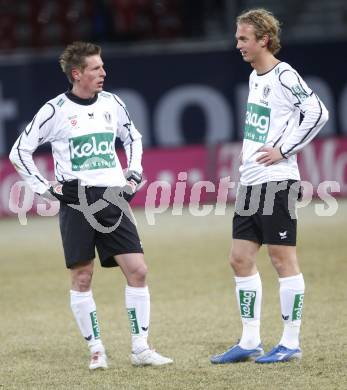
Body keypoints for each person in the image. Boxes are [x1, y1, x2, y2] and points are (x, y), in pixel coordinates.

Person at [9, 41, 173, 370]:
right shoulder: (54, 111)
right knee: (83, 277)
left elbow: (133, 138)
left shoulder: (113, 103)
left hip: (112, 198)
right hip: (77, 202)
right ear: (77, 73)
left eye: (102, 66)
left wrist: (134, 175)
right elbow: (19, 152)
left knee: (138, 270)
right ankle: (96, 349)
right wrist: (45, 189)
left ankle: (140, 348)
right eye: (96, 68)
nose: (103, 72)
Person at [210, 9, 329, 364]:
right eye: (237, 38)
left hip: (277, 182)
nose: (238, 45)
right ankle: (249, 341)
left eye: (244, 38)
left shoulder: (283, 74)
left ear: (263, 39)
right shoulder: (254, 77)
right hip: (251, 182)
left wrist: (283, 149)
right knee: (240, 258)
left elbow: (317, 112)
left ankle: (290, 343)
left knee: (282, 259)